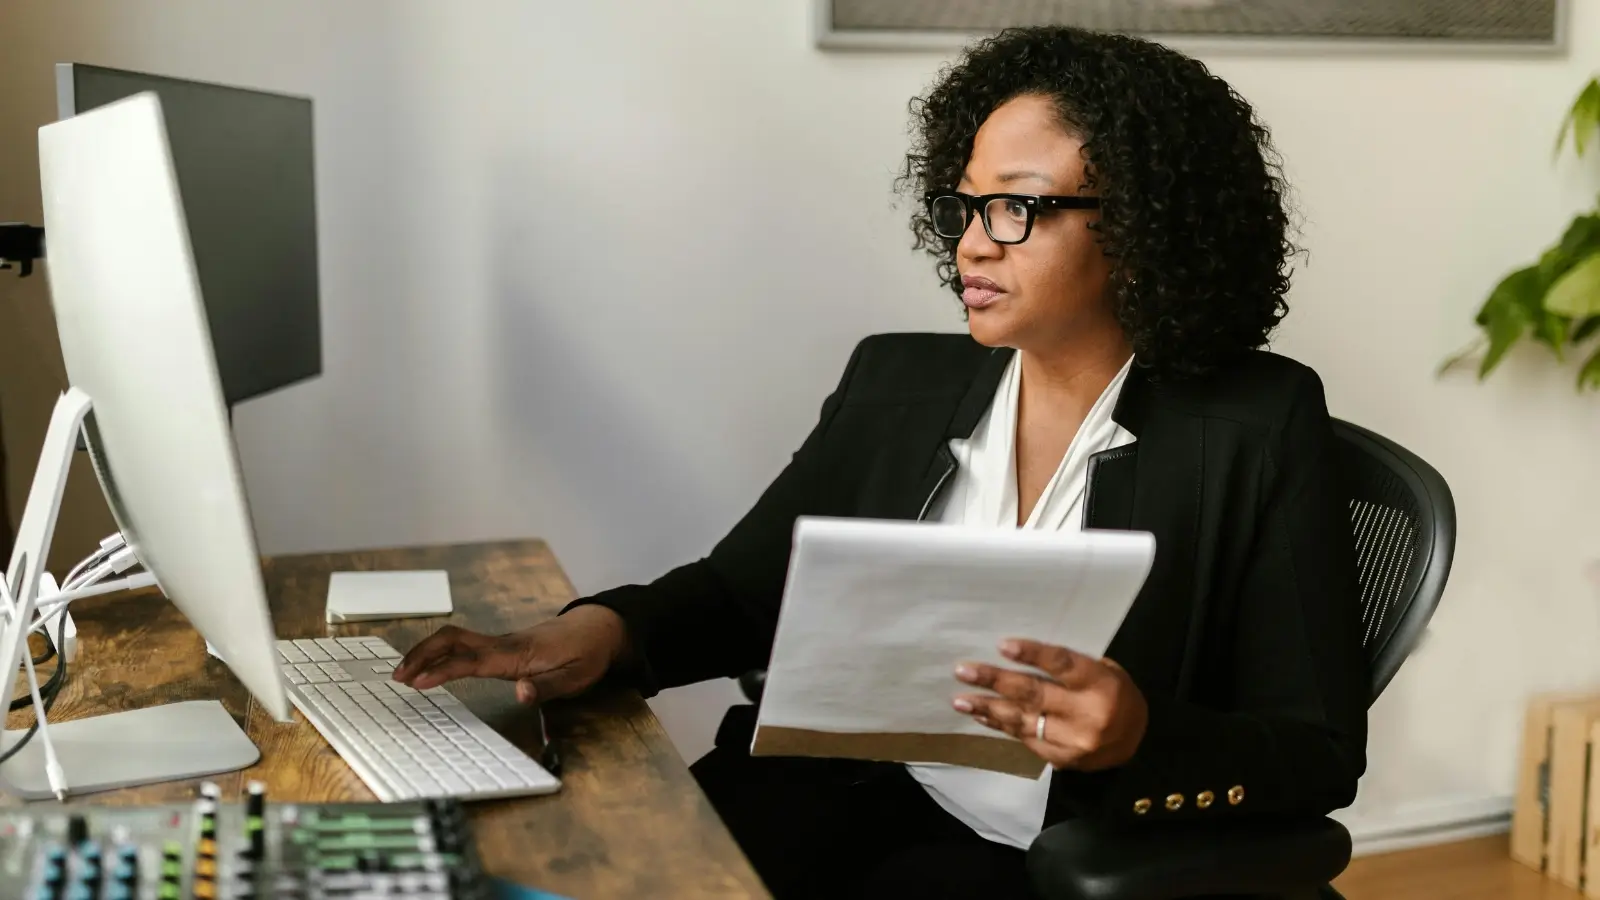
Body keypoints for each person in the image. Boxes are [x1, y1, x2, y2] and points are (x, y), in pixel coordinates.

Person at [394, 25, 1368, 900]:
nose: (971, 248)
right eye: (966, 207)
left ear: (1144, 226)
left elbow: (1316, 752)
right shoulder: (897, 382)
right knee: (540, 867)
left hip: (1040, 857)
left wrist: (1138, 734)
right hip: (838, 790)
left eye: (1016, 209)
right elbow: (742, 592)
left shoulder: (1255, 425)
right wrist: (597, 633)